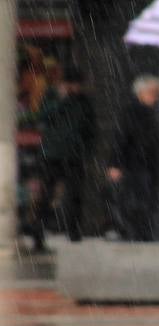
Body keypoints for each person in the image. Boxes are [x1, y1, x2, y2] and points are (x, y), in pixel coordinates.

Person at [39, 64, 97, 242]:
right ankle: (39, 229)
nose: (73, 89)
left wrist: (86, 150)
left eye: (76, 85)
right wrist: (60, 101)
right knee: (47, 193)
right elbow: (43, 117)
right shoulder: (52, 96)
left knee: (75, 194)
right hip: (53, 154)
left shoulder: (84, 102)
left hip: (74, 155)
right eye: (70, 85)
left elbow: (90, 128)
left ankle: (73, 230)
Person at [106, 74, 159, 241]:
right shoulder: (131, 112)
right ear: (141, 94)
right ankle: (132, 231)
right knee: (134, 200)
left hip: (151, 164)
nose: (155, 97)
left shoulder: (156, 112)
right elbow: (121, 138)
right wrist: (115, 163)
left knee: (148, 199)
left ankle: (144, 232)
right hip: (134, 163)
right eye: (151, 93)